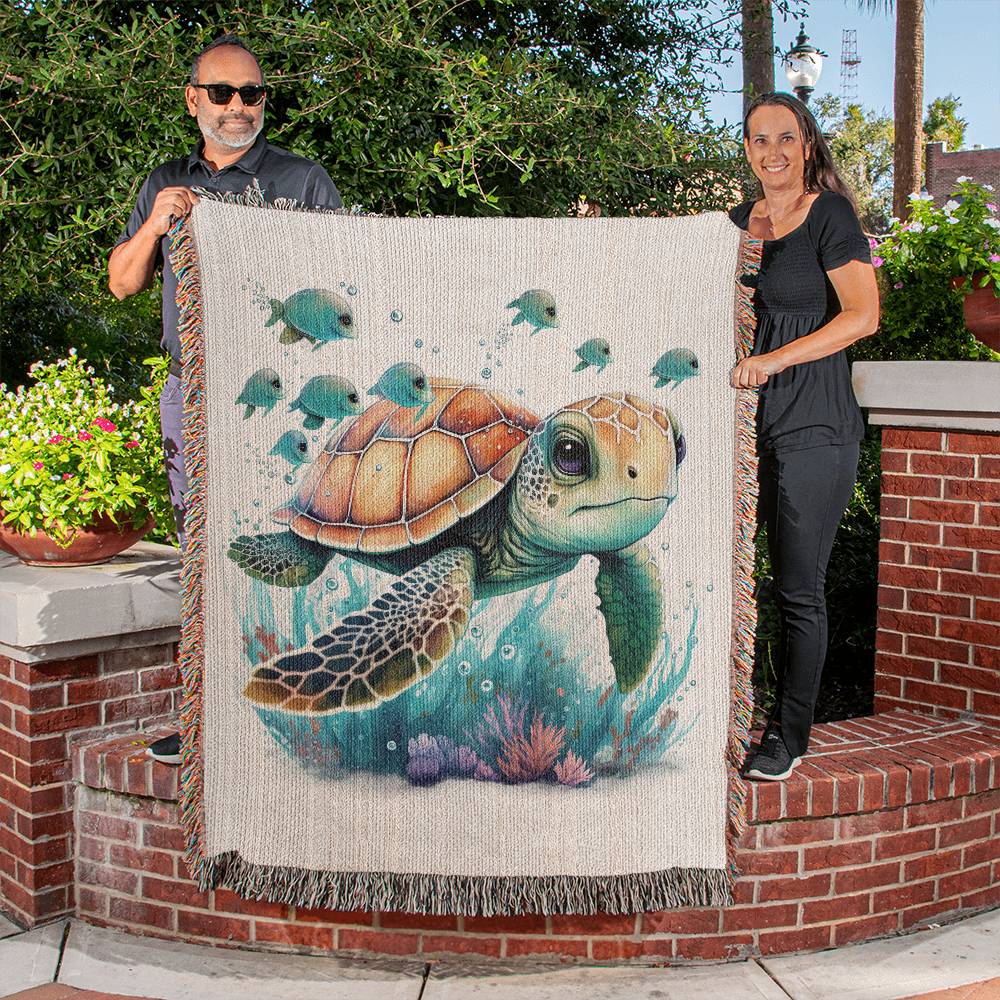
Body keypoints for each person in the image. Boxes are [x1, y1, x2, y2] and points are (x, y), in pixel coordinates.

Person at [109, 34, 342, 765]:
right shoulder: (166, 183)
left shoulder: (303, 182)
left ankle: (295, 721)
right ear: (193, 100)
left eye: (252, 93)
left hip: (284, 404)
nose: (238, 106)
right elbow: (122, 283)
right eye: (222, 92)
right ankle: (206, 725)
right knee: (201, 556)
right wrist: (157, 223)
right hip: (194, 396)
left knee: (294, 548)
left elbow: (346, 283)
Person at [728, 92, 879, 781]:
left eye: (786, 138)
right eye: (760, 140)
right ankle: (728, 713)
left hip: (815, 427)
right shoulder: (737, 225)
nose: (773, 152)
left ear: (808, 144)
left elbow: (863, 316)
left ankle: (786, 739)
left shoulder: (829, 215)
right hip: (743, 430)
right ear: (748, 150)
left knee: (797, 590)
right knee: (732, 581)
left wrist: (773, 360)